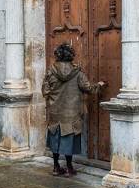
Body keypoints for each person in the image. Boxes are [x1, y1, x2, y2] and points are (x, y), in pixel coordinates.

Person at [42, 43, 105, 177]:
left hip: (55, 112)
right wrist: (99, 85)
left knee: (55, 138)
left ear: (57, 55)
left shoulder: (50, 71)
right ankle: (69, 168)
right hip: (72, 113)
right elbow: (88, 88)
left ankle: (55, 167)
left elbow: (45, 91)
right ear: (71, 56)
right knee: (68, 140)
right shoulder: (78, 73)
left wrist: (53, 100)